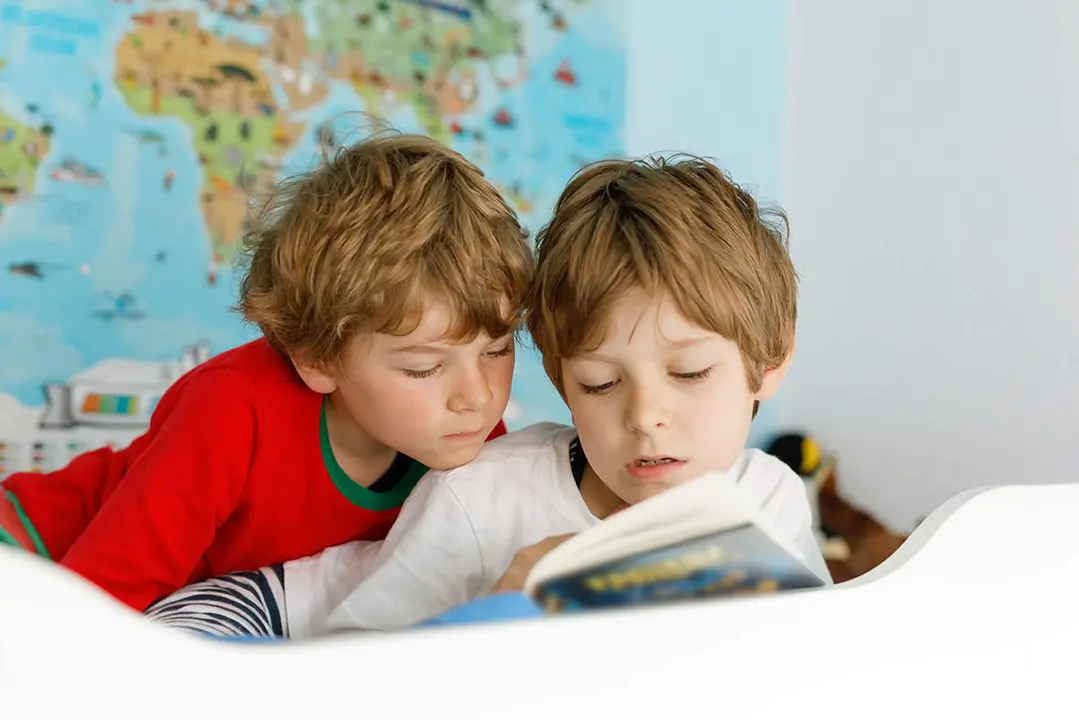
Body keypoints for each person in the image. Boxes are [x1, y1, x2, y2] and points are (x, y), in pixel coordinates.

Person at [279, 153, 833, 637]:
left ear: (769, 361)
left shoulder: (770, 500)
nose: (644, 417)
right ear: (560, 378)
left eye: (688, 373)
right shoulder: (478, 501)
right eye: (600, 383)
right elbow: (347, 670)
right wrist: (490, 617)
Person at [0, 131, 533, 613]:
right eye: (424, 367)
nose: (478, 395)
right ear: (317, 358)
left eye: (498, 348)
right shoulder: (232, 410)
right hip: (39, 559)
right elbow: (90, 615)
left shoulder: (469, 442)